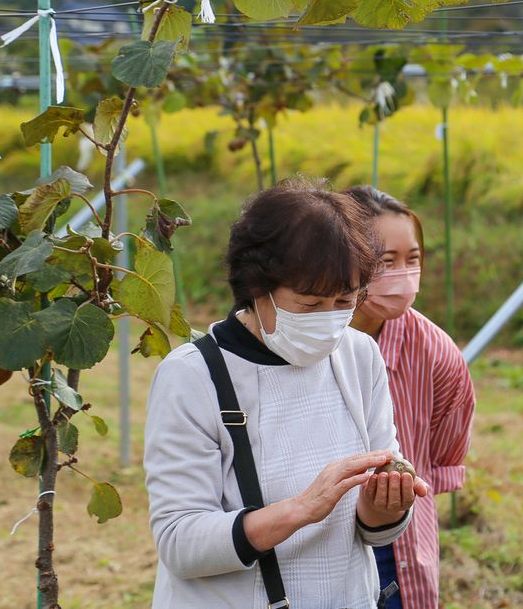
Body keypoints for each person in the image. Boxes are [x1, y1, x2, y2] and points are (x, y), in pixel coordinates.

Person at [144, 181, 428, 609]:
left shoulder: (359, 357)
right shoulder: (193, 375)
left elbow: (371, 530)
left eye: (345, 301)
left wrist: (386, 507)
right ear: (258, 287)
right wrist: (301, 509)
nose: (329, 321)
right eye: (310, 305)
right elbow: (180, 543)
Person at [344, 186, 476, 609]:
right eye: (386, 261)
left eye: (412, 259)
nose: (402, 274)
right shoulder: (301, 342)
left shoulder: (436, 353)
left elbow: (440, 455)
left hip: (394, 553)